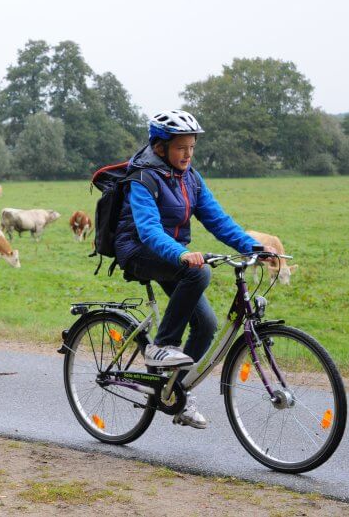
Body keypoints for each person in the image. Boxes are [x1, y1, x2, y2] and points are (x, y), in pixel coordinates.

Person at [114, 109, 274, 429]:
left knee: (206, 326)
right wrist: (182, 254)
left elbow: (217, 219)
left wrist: (253, 247)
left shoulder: (191, 179)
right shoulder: (143, 177)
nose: (188, 154)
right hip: (138, 251)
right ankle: (161, 348)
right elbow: (148, 231)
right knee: (199, 272)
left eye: (192, 147)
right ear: (160, 148)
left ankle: (176, 393)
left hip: (171, 257)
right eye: (180, 148)